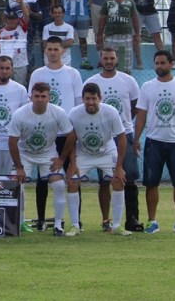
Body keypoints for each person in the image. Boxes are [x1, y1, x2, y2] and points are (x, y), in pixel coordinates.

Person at [134, 50, 175, 234]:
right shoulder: (147, 86)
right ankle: (152, 221)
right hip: (154, 142)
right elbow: (141, 115)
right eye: (156, 63)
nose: (159, 66)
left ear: (171, 64)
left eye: (163, 63)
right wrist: (136, 139)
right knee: (151, 183)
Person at [83, 47, 143, 231]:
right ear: (100, 60)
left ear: (117, 60)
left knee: (129, 177)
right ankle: (106, 220)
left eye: (112, 58)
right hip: (103, 136)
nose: (109, 61)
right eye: (105, 58)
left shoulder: (128, 80)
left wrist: (123, 122)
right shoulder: (92, 81)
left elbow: (136, 105)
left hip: (125, 133)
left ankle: (132, 219)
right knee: (105, 181)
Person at [58, 83, 129, 237]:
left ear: (100, 98)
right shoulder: (74, 113)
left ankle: (117, 225)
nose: (90, 102)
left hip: (107, 151)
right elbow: (71, 139)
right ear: (83, 99)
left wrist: (119, 167)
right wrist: (72, 163)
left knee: (118, 181)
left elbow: (122, 138)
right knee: (72, 182)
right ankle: (75, 225)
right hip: (84, 153)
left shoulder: (111, 112)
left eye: (93, 99)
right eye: (87, 99)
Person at [28, 36, 83, 231]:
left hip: (67, 134)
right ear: (45, 50)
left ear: (62, 51)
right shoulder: (37, 74)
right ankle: (41, 220)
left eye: (56, 49)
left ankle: (76, 220)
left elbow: (78, 105)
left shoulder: (73, 73)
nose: (52, 52)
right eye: (49, 49)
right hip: (45, 135)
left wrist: (75, 133)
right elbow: (31, 102)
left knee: (72, 176)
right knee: (43, 178)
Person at [8, 82, 74, 236]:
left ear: (49, 98)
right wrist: (19, 167)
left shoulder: (58, 112)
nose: (39, 99)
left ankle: (58, 225)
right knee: (16, 185)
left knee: (59, 185)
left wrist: (62, 159)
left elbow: (71, 135)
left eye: (43, 96)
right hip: (24, 154)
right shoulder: (20, 114)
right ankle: (20, 222)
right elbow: (12, 142)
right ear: (30, 97)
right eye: (36, 96)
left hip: (48, 154)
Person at [96, 0, 140, 74]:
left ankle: (126, 80)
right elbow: (102, 18)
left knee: (125, 64)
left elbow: (135, 18)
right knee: (109, 60)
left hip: (126, 36)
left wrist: (137, 34)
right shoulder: (108, 2)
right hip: (111, 35)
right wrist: (99, 35)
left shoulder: (130, 2)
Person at [8, 0, 42, 69]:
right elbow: (5, 14)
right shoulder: (11, 0)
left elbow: (40, 16)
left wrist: (30, 12)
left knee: (29, 52)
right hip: (16, 34)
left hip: (29, 31)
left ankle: (29, 72)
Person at [0, 11, 29, 86]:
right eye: (9, 19)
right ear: (6, 20)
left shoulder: (22, 28)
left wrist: (21, 3)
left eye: (13, 19)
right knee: (6, 86)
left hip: (20, 64)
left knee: (20, 86)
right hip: (6, 65)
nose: (11, 21)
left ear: (18, 20)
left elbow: (27, 15)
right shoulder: (1, 32)